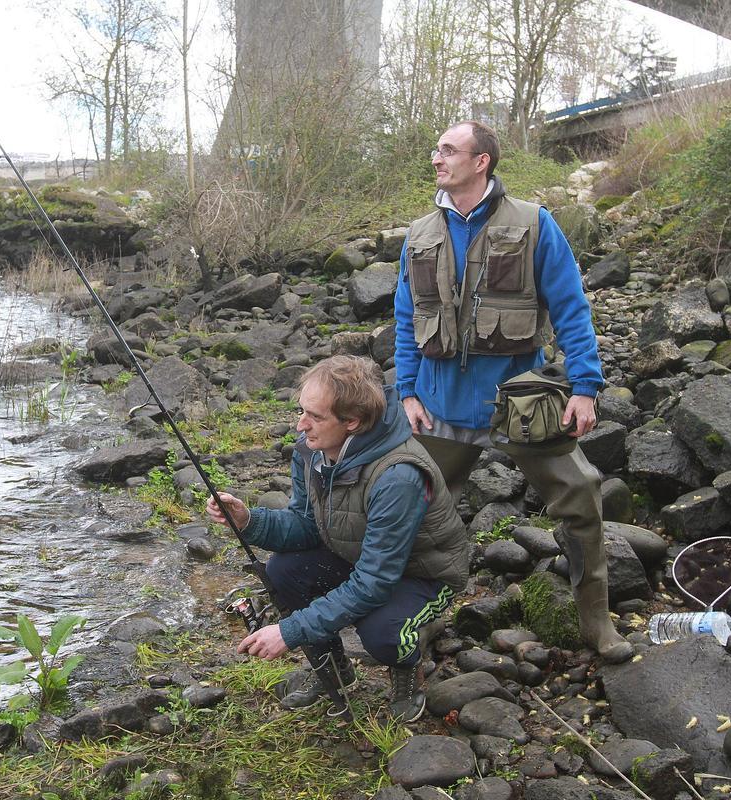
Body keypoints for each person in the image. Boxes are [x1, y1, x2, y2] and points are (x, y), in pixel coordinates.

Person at [393, 119, 633, 664]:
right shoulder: (418, 234)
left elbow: (571, 307)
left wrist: (586, 386)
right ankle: (417, 627)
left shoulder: (534, 223)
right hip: (438, 403)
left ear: (482, 161)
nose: (437, 157)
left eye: (448, 150)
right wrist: (406, 392)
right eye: (437, 149)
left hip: (519, 402)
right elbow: (406, 319)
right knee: (419, 514)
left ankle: (596, 621)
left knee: (581, 492)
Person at [206, 355, 469, 722]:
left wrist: (289, 631)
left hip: (424, 573)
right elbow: (305, 526)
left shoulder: (399, 477)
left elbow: (375, 582)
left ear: (352, 422)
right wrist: (248, 520)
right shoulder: (311, 451)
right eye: (302, 411)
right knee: (283, 571)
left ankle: (408, 664)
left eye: (314, 417)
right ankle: (334, 671)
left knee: (382, 633)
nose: (301, 425)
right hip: (357, 555)